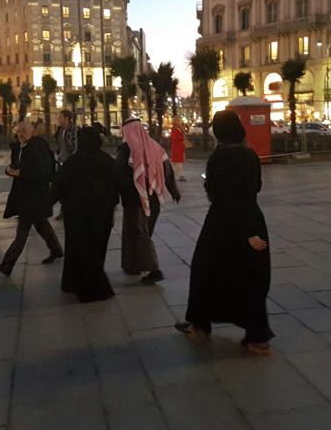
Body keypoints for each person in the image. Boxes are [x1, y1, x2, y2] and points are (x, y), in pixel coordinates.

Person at [175, 110, 273, 355]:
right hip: (252, 218)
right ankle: (257, 336)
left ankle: (200, 323)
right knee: (251, 278)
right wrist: (250, 229)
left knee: (206, 272)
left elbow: (222, 193)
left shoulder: (220, 156)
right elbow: (255, 187)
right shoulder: (250, 154)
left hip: (223, 224)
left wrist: (247, 233)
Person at [52, 127, 118, 302]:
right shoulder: (107, 161)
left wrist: (45, 204)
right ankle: (94, 285)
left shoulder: (72, 163)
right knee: (96, 250)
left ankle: (75, 283)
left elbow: (59, 186)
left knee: (77, 249)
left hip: (76, 215)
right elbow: (117, 186)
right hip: (101, 215)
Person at [0, 120, 61, 276]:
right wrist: (9, 170)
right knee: (41, 225)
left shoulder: (38, 147)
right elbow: (15, 166)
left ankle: (7, 265)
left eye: (24, 131)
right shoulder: (19, 147)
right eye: (19, 131)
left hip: (35, 195)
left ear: (32, 132)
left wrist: (21, 173)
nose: (20, 134)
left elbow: (45, 172)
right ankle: (56, 250)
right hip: (23, 194)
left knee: (21, 234)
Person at [116, 118, 181, 285]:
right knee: (141, 231)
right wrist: (174, 191)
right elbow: (168, 171)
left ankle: (154, 270)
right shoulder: (155, 146)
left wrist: (115, 195)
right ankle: (133, 265)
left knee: (138, 233)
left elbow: (119, 173)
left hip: (135, 198)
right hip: (154, 197)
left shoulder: (127, 148)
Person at [54, 109, 77, 220]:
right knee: (62, 186)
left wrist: (72, 160)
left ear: (67, 118)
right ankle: (64, 209)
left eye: (60, 117)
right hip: (62, 161)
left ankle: (68, 210)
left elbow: (73, 146)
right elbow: (60, 145)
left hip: (69, 162)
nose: (58, 119)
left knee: (69, 187)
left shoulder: (72, 130)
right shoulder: (61, 130)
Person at [170, 117, 188, 181]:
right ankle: (180, 175)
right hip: (177, 148)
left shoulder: (178, 128)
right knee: (178, 162)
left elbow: (184, 133)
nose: (179, 121)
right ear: (174, 121)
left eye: (179, 120)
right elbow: (176, 137)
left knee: (176, 162)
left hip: (179, 147)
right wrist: (182, 136)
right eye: (177, 120)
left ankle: (172, 175)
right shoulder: (174, 129)